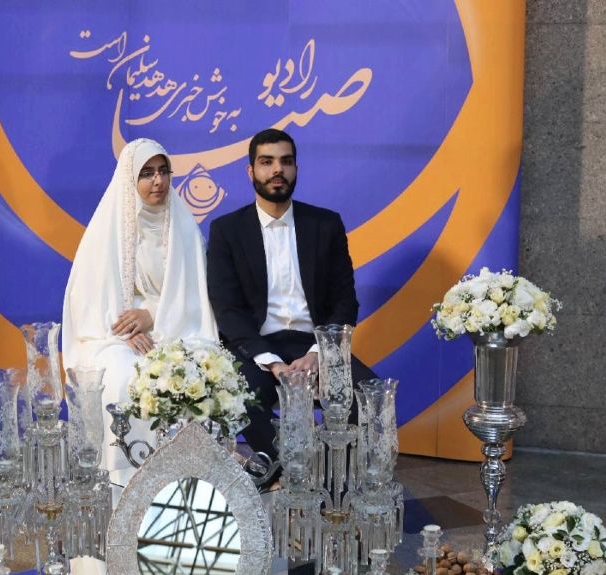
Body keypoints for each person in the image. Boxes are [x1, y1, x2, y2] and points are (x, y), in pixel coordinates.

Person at [206, 128, 376, 472]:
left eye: (286, 162)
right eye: (266, 162)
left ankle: (337, 478)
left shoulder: (325, 224)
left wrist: (318, 354)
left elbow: (346, 301)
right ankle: (289, 472)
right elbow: (227, 309)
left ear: (296, 168)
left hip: (315, 344)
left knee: (368, 397)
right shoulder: (227, 230)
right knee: (236, 398)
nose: (277, 170)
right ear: (250, 171)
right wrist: (273, 363)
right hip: (257, 348)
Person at [62, 138, 218, 487]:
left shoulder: (184, 228)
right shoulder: (107, 229)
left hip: (178, 329)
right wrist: (127, 329)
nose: (158, 181)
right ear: (130, 180)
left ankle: (185, 478)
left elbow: (197, 297)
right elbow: (87, 301)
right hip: (112, 335)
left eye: (163, 171)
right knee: (121, 375)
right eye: (147, 174)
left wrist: (153, 316)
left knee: (196, 369)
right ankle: (123, 481)